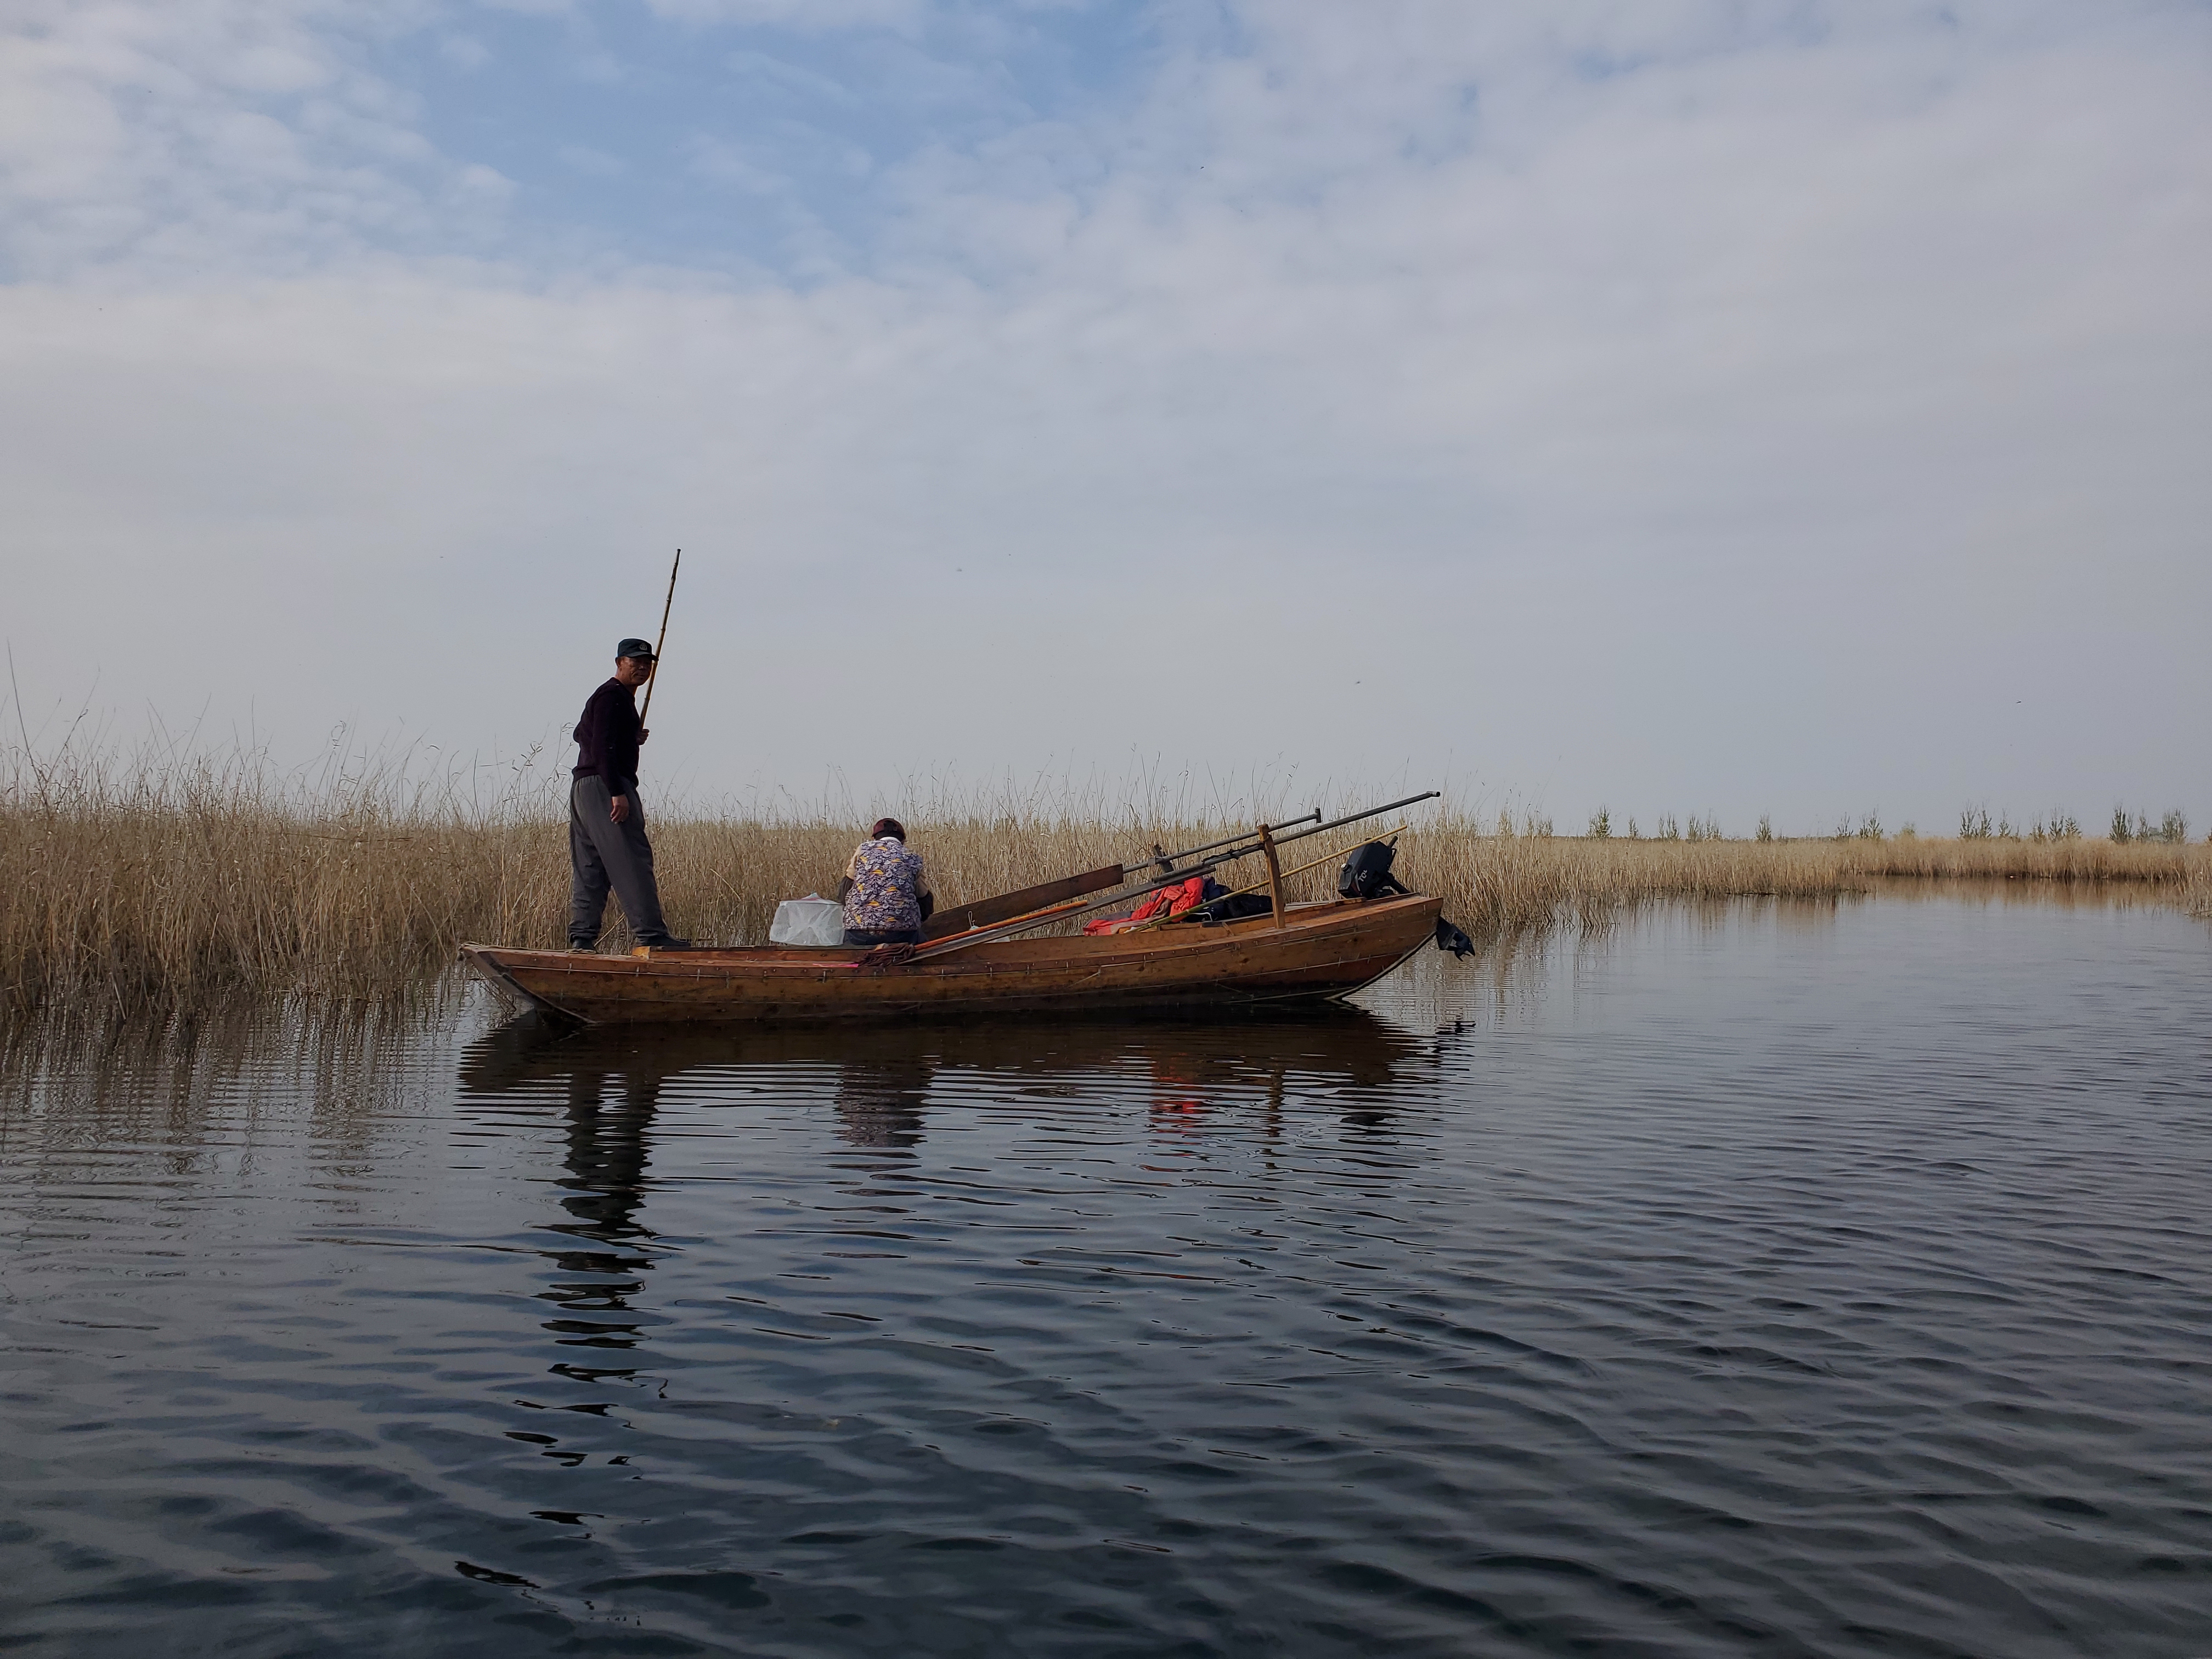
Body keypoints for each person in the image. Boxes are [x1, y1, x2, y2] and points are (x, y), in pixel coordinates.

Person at [569, 637, 690, 951]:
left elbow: (582, 733)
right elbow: (601, 747)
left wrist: (630, 735)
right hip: (605, 786)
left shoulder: (611, 699)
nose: (641, 667)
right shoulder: (613, 697)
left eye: (647, 662)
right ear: (619, 663)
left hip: (584, 789)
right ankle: (653, 937)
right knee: (632, 860)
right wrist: (616, 792)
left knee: (591, 866)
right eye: (634, 661)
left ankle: (581, 940)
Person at [838, 819, 934, 946]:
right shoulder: (912, 856)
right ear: (903, 841)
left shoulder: (863, 850)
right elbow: (924, 900)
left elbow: (844, 891)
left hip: (859, 935)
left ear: (874, 839)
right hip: (901, 935)